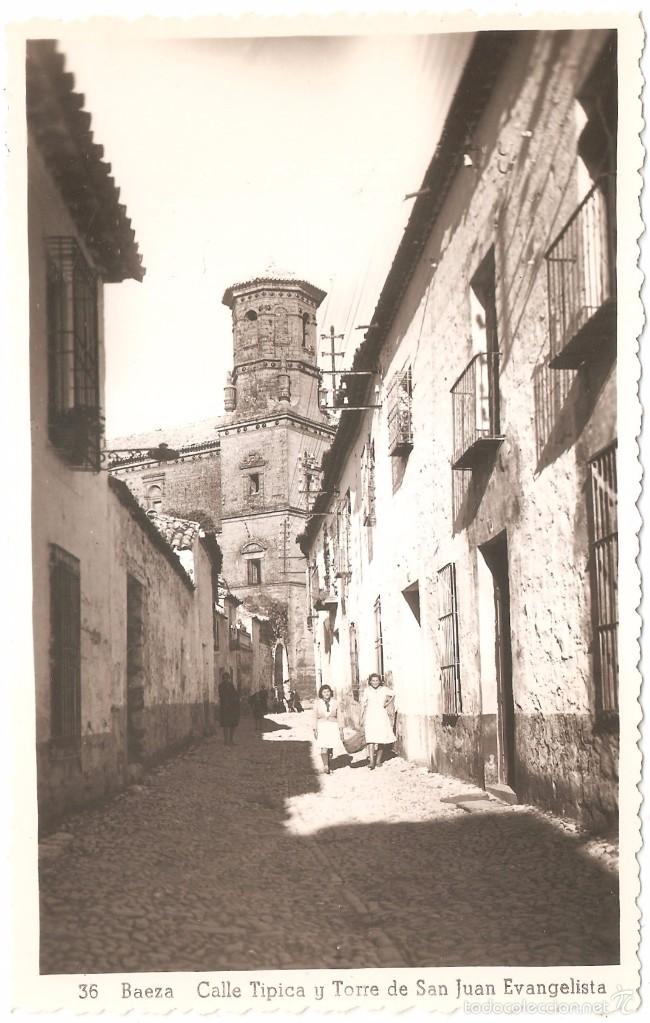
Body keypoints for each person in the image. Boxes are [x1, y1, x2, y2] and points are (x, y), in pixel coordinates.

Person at [361, 673, 396, 770]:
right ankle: (371, 761)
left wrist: (387, 703)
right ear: (370, 681)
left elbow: (393, 694)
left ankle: (378, 760)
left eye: (377, 680)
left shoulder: (384, 689)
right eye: (373, 680)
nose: (375, 682)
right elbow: (363, 704)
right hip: (370, 716)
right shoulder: (367, 690)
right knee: (370, 739)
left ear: (380, 681)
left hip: (381, 715)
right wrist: (361, 717)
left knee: (381, 739)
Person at [313, 684, 342, 774]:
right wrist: (315, 729)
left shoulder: (335, 702)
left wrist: (341, 729)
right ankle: (326, 766)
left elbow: (340, 716)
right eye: (324, 692)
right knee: (323, 747)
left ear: (330, 692)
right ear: (321, 693)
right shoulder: (317, 703)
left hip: (333, 726)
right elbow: (314, 717)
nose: (326, 693)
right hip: (322, 726)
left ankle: (328, 759)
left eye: (328, 691)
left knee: (330, 747)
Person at [218, 671, 240, 747]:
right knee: (225, 724)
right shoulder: (220, 686)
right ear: (223, 679)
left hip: (232, 708)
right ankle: (226, 740)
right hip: (224, 708)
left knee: (232, 724)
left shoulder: (231, 685)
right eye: (224, 678)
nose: (226, 679)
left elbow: (235, 694)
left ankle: (231, 740)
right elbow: (222, 695)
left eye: (227, 678)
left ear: (229, 678)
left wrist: (236, 700)